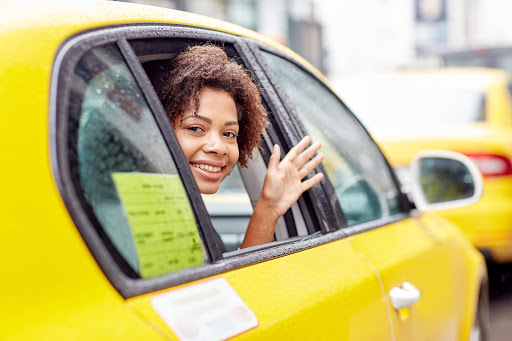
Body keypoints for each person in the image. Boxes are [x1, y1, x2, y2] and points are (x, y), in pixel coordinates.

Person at [151, 44, 324, 248]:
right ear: (156, 128)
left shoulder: (183, 212)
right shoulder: (147, 216)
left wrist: (268, 208)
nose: (219, 147)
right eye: (196, 128)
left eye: (228, 134)